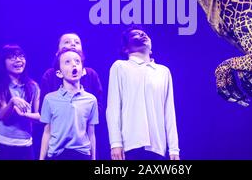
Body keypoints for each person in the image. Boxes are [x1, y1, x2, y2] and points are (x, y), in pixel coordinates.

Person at [106, 26, 180, 160]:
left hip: (157, 146)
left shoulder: (163, 72)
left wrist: (174, 149)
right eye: (135, 35)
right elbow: (113, 108)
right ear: (126, 49)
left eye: (144, 33)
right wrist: (115, 143)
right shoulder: (120, 67)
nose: (141, 35)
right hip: (130, 145)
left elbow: (169, 112)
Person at [40, 48, 98, 160]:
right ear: (59, 73)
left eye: (77, 61)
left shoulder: (91, 100)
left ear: (83, 70)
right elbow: (47, 132)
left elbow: (91, 132)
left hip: (82, 154)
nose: (73, 65)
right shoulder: (49, 99)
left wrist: (94, 158)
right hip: (56, 155)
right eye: (67, 62)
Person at [0, 44, 40, 160]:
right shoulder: (0, 86)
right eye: (12, 57)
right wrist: (12, 101)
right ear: (3, 62)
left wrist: (24, 115)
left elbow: (39, 117)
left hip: (26, 144)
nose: (18, 60)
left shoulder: (33, 86)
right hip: (3, 143)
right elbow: (2, 116)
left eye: (21, 56)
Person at [40, 33, 102, 114]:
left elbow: (98, 108)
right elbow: (44, 111)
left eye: (77, 42)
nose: (73, 44)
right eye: (67, 42)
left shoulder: (91, 74)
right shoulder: (49, 75)